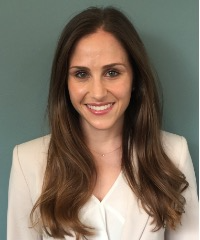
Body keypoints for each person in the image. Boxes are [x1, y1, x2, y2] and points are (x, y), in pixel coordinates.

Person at [7, 6, 198, 240]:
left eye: (112, 73)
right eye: (81, 74)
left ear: (135, 78)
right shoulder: (27, 161)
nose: (97, 93)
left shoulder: (173, 153)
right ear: (64, 82)